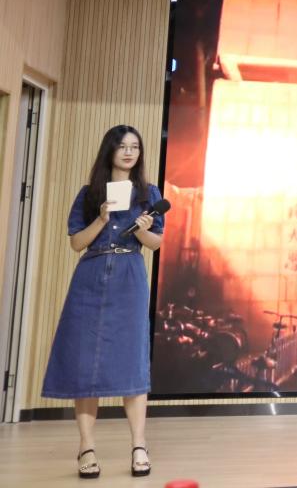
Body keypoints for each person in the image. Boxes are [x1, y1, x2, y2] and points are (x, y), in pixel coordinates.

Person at [42, 125, 164, 479]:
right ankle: (86, 447)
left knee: (132, 361)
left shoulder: (149, 193)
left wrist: (142, 227)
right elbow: (76, 243)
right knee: (86, 364)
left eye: (135, 147)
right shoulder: (89, 193)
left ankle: (139, 445)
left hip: (129, 275)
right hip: (91, 275)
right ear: (109, 150)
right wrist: (102, 217)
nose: (129, 152)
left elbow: (155, 243)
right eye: (122, 146)